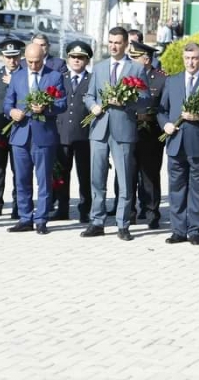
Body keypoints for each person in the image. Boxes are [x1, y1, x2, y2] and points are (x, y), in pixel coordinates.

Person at [81, 27, 150, 241]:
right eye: (110, 42)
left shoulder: (136, 69)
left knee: (125, 179)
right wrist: (93, 106)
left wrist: (128, 101)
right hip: (99, 129)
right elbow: (88, 95)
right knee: (97, 177)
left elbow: (146, 100)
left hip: (123, 129)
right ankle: (97, 221)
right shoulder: (100, 68)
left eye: (118, 42)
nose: (113, 46)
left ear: (126, 44)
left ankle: (123, 223)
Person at [159, 42, 199, 245]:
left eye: (195, 58)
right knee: (176, 187)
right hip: (175, 141)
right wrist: (165, 124)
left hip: (198, 143)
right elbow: (161, 109)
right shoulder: (173, 81)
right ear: (183, 59)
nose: (191, 62)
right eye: (187, 58)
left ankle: (195, 229)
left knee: (198, 187)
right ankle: (178, 229)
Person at [3, 44, 67, 234]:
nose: (33, 65)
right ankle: (25, 218)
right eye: (29, 61)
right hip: (20, 135)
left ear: (43, 58)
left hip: (43, 135)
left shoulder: (54, 76)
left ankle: (41, 219)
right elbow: (8, 102)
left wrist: (46, 109)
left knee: (44, 180)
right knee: (21, 179)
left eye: (37, 62)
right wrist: (11, 111)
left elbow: (62, 103)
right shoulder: (17, 76)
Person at [54, 40, 93, 223]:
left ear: (87, 60)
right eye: (73, 57)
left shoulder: (92, 80)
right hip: (62, 134)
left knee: (85, 175)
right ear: (68, 58)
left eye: (81, 57)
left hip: (84, 135)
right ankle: (62, 208)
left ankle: (85, 209)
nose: (77, 60)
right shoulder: (60, 78)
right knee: (61, 174)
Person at [130, 41, 168, 229]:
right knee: (128, 174)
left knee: (150, 175)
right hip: (129, 131)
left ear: (146, 59)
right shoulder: (127, 75)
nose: (131, 60)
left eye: (134, 57)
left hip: (151, 134)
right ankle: (129, 213)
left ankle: (152, 213)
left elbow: (164, 106)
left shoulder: (161, 78)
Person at [0, 38, 23, 219]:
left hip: (19, 129)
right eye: (8, 57)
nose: (12, 61)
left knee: (19, 169)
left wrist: (14, 81)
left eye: (15, 57)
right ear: (2, 57)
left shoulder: (25, 75)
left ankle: (18, 205)